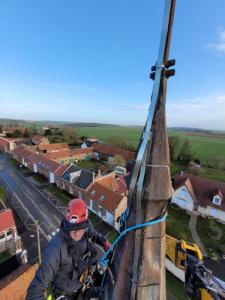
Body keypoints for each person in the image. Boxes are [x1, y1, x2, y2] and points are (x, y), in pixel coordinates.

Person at [26, 198, 110, 300]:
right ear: (67, 223)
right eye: (73, 228)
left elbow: (93, 234)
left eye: (81, 227)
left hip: (86, 282)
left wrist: (104, 243)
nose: (78, 232)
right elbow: (34, 290)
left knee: (108, 288)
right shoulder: (56, 249)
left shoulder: (87, 227)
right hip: (68, 294)